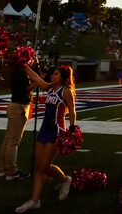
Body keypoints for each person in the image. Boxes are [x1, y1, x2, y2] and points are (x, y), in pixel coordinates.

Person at [14, 64, 76, 213]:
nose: (52, 76)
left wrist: (72, 128)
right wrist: (25, 65)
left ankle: (64, 181)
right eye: (53, 74)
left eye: (56, 74)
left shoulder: (66, 91)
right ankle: (35, 201)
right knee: (39, 168)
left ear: (63, 77)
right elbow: (35, 77)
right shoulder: (49, 88)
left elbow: (72, 111)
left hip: (56, 130)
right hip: (44, 130)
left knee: (44, 167)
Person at [0, 61, 35, 181]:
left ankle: (2, 169)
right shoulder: (20, 73)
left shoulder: (16, 72)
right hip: (19, 107)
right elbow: (26, 90)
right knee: (14, 141)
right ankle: (12, 171)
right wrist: (38, 81)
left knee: (8, 139)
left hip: (14, 106)